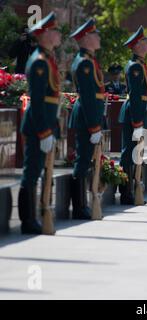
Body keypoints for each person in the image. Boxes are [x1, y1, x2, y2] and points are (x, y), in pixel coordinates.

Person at [18, 12, 61, 234]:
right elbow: (36, 101)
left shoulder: (47, 59)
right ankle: (27, 220)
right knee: (31, 172)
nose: (58, 34)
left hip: (45, 126)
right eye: (54, 31)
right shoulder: (39, 63)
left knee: (38, 171)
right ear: (45, 34)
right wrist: (44, 132)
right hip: (37, 127)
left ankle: (35, 216)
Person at [69, 18, 105, 219]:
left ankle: (82, 205)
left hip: (89, 117)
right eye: (95, 35)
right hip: (86, 118)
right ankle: (79, 206)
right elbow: (89, 97)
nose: (98, 37)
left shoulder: (89, 60)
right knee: (82, 161)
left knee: (85, 160)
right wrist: (93, 126)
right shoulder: (84, 63)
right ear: (85, 39)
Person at [119, 26, 147, 204]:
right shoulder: (135, 67)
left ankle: (131, 189)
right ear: (138, 45)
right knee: (129, 153)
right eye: (145, 41)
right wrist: (137, 122)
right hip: (134, 113)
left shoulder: (141, 65)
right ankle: (125, 192)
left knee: (135, 152)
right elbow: (134, 95)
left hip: (139, 112)